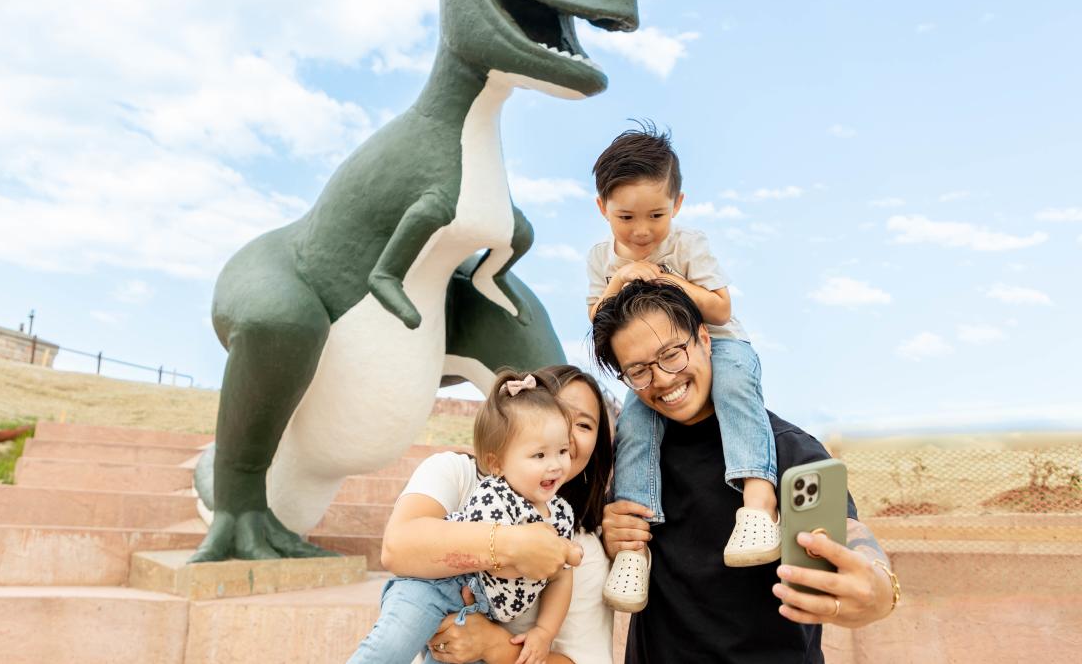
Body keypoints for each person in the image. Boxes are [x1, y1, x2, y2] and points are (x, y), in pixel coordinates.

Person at [593, 280, 901, 662]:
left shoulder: (788, 447)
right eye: (638, 371)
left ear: (705, 339)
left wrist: (878, 587)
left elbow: (848, 534)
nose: (663, 379)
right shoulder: (632, 465)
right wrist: (609, 538)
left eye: (672, 354)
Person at [586, 124, 780, 613]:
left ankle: (757, 503)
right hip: (651, 357)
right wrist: (624, 279)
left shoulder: (689, 245)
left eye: (656, 214)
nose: (643, 230)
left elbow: (718, 307)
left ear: (678, 204)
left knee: (735, 387)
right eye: (626, 216)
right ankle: (635, 550)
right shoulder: (600, 258)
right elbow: (598, 320)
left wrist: (665, 279)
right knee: (633, 423)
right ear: (602, 208)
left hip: (720, 345)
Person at [380, 365, 617, 664]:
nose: (565, 433)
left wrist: (492, 646)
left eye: (584, 425)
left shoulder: (583, 548)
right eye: (556, 414)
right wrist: (514, 546)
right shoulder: (457, 474)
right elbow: (396, 548)